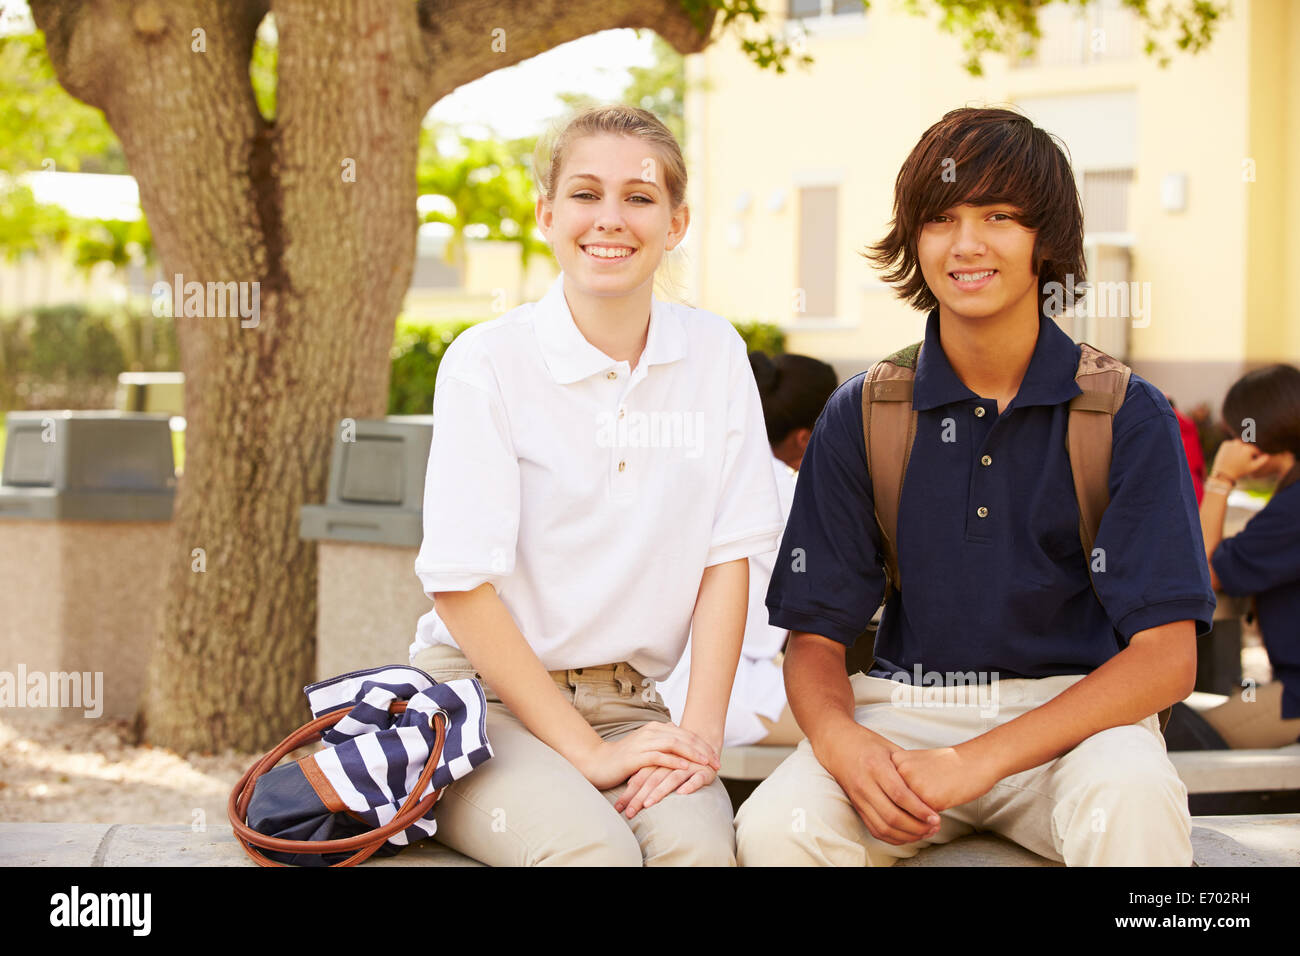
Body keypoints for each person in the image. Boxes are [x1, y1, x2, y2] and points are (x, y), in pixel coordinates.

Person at [734, 106, 1215, 867]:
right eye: (941, 218)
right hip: (907, 715)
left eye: (999, 216)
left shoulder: (1126, 412)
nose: (966, 244)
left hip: (1078, 723)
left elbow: (1166, 658)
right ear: (913, 238)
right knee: (779, 828)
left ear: (1044, 241)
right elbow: (814, 640)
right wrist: (845, 744)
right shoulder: (864, 412)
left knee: (1133, 797)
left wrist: (978, 762)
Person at [406, 105, 784, 866]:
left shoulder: (714, 354)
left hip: (633, 703)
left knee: (701, 856)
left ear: (676, 223)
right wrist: (587, 754)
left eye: (640, 198)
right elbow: (460, 586)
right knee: (593, 855)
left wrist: (700, 738)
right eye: (585, 194)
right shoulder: (487, 362)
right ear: (548, 213)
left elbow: (728, 558)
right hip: (486, 704)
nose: (610, 219)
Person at [657, 352, 838, 747]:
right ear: (805, 438)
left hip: (653, 680)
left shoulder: (690, 467)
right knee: (862, 725)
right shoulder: (790, 496)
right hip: (720, 689)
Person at [1198, 364, 1300, 747]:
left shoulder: (1292, 510)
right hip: (1287, 687)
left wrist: (1220, 480)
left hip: (1294, 697)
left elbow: (1202, 572)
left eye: (1235, 432)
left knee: (1185, 740)